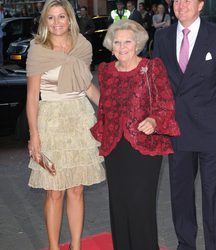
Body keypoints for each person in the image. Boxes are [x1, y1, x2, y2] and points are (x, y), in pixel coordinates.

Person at [153, 0, 216, 249]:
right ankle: (185, 244)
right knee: (181, 194)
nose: (181, 4)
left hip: (212, 129)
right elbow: (156, 84)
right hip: (177, 129)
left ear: (201, 5)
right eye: (177, 0)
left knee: (214, 194)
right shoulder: (162, 38)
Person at [91, 19, 180, 250]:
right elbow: (105, 107)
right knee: (119, 206)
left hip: (144, 147)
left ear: (137, 44)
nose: (122, 47)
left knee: (140, 207)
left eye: (127, 41)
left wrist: (154, 120)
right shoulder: (106, 72)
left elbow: (166, 103)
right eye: (117, 42)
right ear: (111, 46)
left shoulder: (152, 68)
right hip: (115, 148)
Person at [26, 0, 105, 249]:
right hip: (51, 121)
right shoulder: (38, 49)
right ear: (44, 22)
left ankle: (76, 245)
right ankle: (53, 246)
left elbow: (88, 87)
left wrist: (113, 111)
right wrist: (34, 136)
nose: (57, 22)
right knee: (55, 190)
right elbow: (31, 98)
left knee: (76, 189)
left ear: (69, 18)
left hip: (80, 119)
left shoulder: (81, 45)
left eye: (61, 16)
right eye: (51, 18)